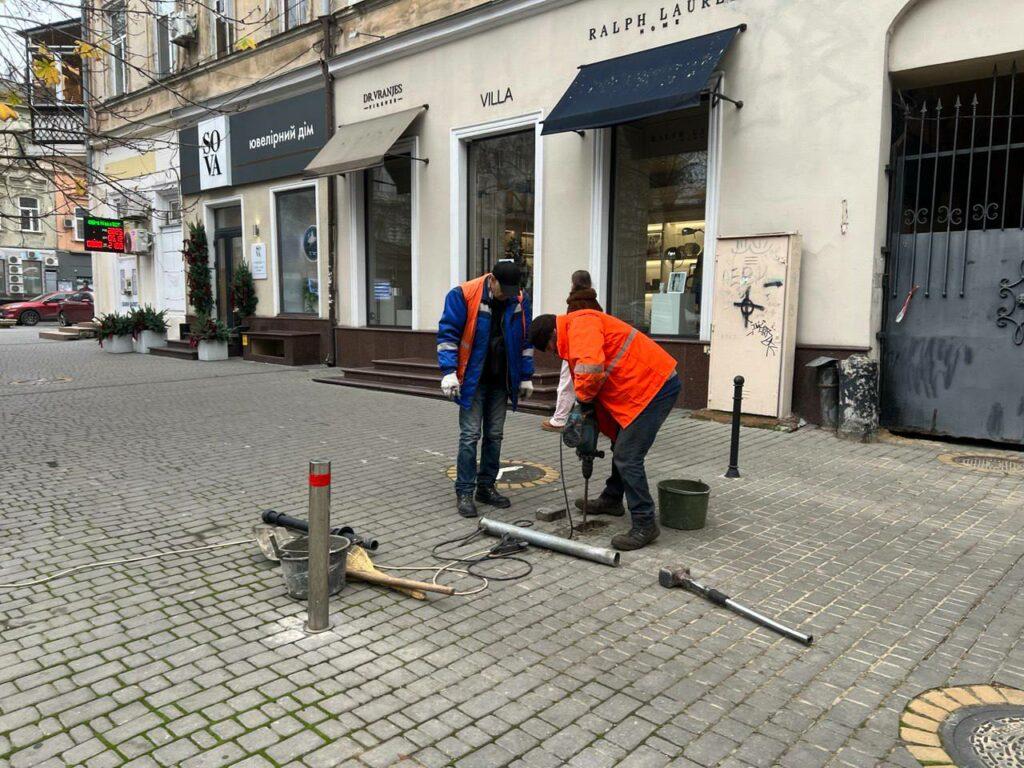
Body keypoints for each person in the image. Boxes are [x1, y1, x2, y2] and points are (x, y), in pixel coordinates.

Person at [527, 310, 680, 550]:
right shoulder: (574, 331)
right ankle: (612, 499)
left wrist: (583, 402)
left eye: (551, 348)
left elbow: (591, 370)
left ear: (553, 334)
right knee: (620, 445)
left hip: (655, 386)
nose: (555, 354)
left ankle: (645, 523)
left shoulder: (580, 327)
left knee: (627, 456)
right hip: (638, 389)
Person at [437, 259, 534, 518]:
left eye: (512, 293)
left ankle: (486, 487)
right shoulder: (463, 295)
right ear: (492, 279)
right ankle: (465, 491)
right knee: (470, 436)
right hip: (473, 379)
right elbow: (448, 335)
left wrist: (525, 376)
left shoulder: (520, 299)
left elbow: (525, 340)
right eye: (503, 291)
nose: (507, 297)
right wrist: (448, 372)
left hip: (501, 380)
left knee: (495, 436)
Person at [541, 270, 603, 433]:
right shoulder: (595, 302)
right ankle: (589, 419)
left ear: (574, 283)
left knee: (566, 383)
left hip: (575, 349)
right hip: (592, 350)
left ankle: (560, 419)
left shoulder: (575, 302)